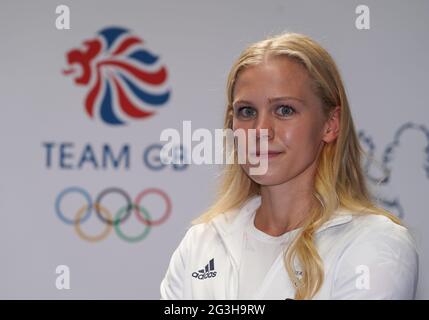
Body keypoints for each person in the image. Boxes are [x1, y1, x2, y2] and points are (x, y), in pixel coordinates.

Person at [159, 32, 419, 300]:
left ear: (331, 124)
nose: (260, 130)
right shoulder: (201, 242)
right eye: (247, 112)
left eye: (284, 110)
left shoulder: (376, 243)